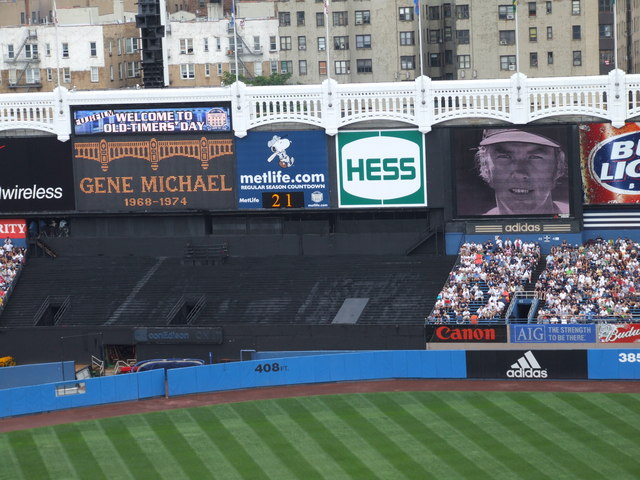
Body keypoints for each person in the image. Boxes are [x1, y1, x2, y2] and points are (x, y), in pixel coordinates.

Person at [474, 129, 569, 215]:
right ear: (485, 166)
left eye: (535, 157)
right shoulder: (475, 228)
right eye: (505, 157)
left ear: (559, 166)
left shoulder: (573, 220)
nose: (520, 174)